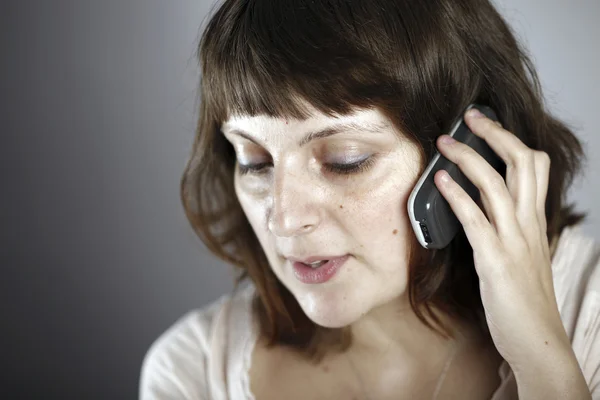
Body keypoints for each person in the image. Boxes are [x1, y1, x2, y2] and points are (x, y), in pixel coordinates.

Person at [139, 0, 600, 398]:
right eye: (255, 161)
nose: (284, 220)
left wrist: (543, 363)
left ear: (469, 154)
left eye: (346, 159)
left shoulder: (590, 318)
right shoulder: (192, 372)